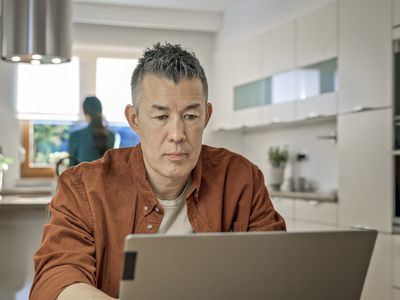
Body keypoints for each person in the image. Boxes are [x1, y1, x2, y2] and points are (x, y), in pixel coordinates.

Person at [29, 42, 286, 300]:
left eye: (190, 117)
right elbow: (57, 277)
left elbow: (278, 271)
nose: (177, 135)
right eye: (161, 117)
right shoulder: (81, 186)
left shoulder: (241, 178)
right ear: (135, 120)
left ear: (206, 117)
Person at [68, 96, 116, 166]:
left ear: (86, 114)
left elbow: (71, 167)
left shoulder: (76, 136)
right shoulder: (112, 136)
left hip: (84, 176)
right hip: (105, 177)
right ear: (100, 111)